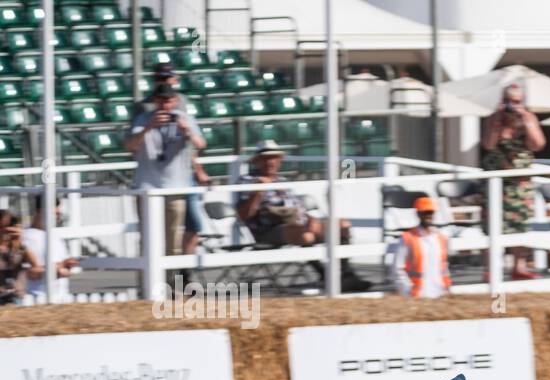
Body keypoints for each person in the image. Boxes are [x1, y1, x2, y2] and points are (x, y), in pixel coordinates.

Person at [236, 140, 371, 292]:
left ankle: (345, 274)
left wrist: (311, 219)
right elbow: (244, 215)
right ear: (258, 162)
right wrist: (258, 191)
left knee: (342, 225)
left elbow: (297, 207)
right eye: (266, 158)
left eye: (274, 158)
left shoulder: (282, 181)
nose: (271, 162)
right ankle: (327, 275)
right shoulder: (246, 181)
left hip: (297, 223)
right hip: (268, 230)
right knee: (305, 235)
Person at [124, 85, 206, 263]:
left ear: (175, 101)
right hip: (147, 187)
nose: (165, 105)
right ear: (155, 101)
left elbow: (200, 144)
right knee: (148, 239)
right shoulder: (142, 120)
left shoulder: (185, 119)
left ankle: (172, 286)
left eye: (168, 100)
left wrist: (187, 132)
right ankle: (146, 286)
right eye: (161, 100)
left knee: (173, 242)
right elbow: (130, 146)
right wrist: (148, 127)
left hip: (175, 189)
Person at [481, 83, 546, 280]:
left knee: (520, 223)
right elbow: (488, 145)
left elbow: (538, 145)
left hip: (520, 182)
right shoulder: (495, 118)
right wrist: (498, 124)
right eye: (509, 101)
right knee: (493, 223)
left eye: (516, 101)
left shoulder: (529, 118)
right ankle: (491, 269)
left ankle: (519, 267)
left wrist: (526, 122)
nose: (512, 105)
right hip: (496, 180)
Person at [391, 196, 451, 298]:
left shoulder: (441, 238)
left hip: (440, 295)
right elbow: (397, 269)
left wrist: (447, 288)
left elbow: (444, 267)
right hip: (418, 296)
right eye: (424, 212)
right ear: (418, 214)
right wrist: (408, 290)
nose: (428, 215)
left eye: (430, 212)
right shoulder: (407, 238)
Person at [23, 196, 78, 303]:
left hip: (62, 301)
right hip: (36, 301)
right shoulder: (26, 238)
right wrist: (57, 269)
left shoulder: (56, 237)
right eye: (55, 214)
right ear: (41, 212)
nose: (58, 217)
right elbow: (27, 273)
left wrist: (68, 265)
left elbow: (63, 268)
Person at [0, 209, 37, 305]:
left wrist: (19, 242)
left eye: (9, 226)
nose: (6, 230)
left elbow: (35, 264)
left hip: (17, 298)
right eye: (2, 226)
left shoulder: (19, 246)